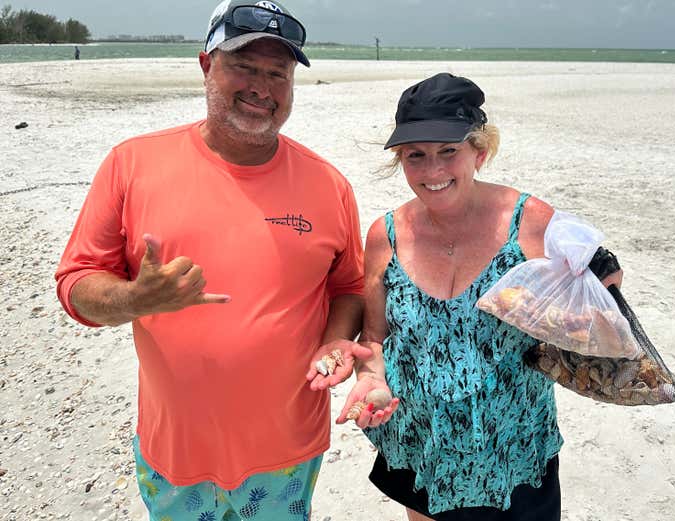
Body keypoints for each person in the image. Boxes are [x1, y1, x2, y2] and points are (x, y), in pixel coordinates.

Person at [55, 1, 376, 519]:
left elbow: (351, 287)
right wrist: (134, 298)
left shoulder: (328, 184)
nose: (261, 88)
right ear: (206, 64)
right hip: (174, 451)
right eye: (244, 66)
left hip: (286, 451)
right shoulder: (132, 163)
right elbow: (76, 285)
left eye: (278, 73)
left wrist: (337, 337)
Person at [338, 73, 623, 521]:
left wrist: (603, 280)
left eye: (449, 152)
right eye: (416, 156)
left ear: (480, 152)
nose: (432, 171)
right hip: (423, 445)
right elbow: (374, 338)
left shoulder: (530, 223)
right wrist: (372, 380)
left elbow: (597, 305)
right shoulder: (384, 236)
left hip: (516, 450)